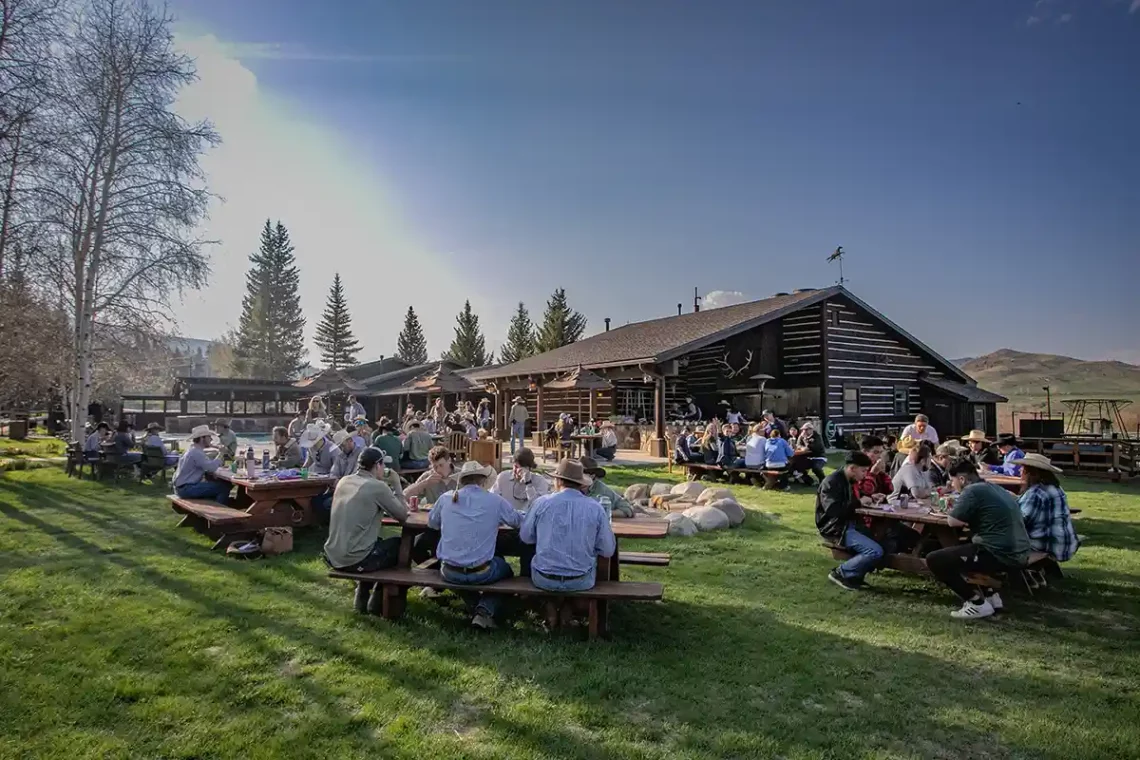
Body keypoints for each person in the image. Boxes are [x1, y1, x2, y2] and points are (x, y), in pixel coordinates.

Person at [927, 460, 1031, 619]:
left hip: (999, 552)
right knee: (965, 547)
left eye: (952, 481)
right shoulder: (995, 488)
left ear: (961, 479)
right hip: (1020, 550)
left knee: (935, 559)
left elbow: (953, 521)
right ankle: (992, 597)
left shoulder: (972, 491)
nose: (952, 485)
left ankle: (976, 603)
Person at [428, 461, 522, 629]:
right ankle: (484, 610)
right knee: (506, 571)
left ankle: (476, 606)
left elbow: (432, 523)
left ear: (461, 480)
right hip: (481, 571)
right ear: (483, 480)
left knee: (485, 567)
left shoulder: (446, 498)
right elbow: (516, 521)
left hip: (448, 570)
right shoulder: (494, 501)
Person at [323, 447, 416, 614]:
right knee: (401, 546)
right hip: (354, 559)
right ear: (378, 465)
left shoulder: (344, 481)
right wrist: (395, 484)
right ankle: (381, 599)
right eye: (383, 465)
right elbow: (402, 515)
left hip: (333, 554)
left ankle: (363, 592)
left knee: (378, 544)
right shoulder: (378, 487)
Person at [520, 459, 616, 593]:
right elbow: (607, 550)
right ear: (581, 484)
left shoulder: (541, 503)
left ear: (558, 481)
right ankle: (566, 609)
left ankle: (552, 609)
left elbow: (526, 537)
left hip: (544, 578)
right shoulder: (595, 507)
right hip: (581, 580)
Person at [816, 451, 879, 591]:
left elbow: (850, 501)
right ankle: (841, 572)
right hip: (836, 527)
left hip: (850, 524)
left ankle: (854, 576)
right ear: (852, 468)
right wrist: (859, 502)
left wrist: (871, 497)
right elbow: (834, 511)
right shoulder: (832, 482)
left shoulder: (848, 480)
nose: (864, 475)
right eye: (863, 471)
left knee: (883, 540)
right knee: (874, 551)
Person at [1014, 453, 1079, 562]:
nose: (1020, 471)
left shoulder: (1035, 493)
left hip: (1047, 545)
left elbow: (1021, 522)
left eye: (1023, 468)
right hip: (1064, 542)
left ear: (1031, 472)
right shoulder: (1055, 488)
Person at [172, 425, 231, 505]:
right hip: (187, 488)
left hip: (181, 487)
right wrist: (221, 453)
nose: (211, 439)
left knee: (219, 485)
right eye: (209, 437)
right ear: (202, 438)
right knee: (223, 488)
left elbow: (207, 465)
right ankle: (219, 512)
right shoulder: (196, 453)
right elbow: (211, 468)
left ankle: (217, 506)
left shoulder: (193, 450)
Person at [852, 435, 892, 506]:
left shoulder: (876, 466)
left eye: (881, 452)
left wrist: (883, 473)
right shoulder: (858, 469)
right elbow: (865, 491)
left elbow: (890, 489)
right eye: (876, 452)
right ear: (864, 452)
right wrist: (872, 474)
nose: (880, 456)